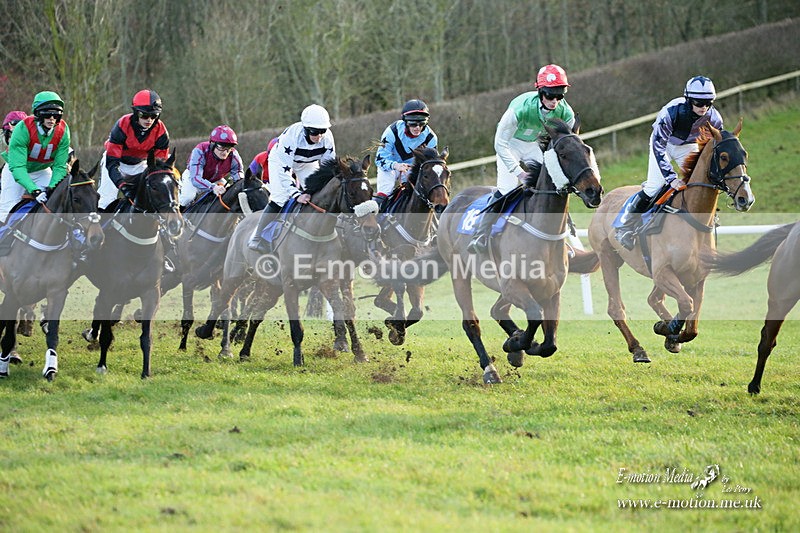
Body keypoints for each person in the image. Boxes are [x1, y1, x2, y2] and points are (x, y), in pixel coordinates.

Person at [468, 64, 575, 253]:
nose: (555, 101)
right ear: (540, 91)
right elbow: (499, 143)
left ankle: (564, 232)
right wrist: (519, 172)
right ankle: (481, 234)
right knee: (508, 188)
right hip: (508, 145)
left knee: (557, 183)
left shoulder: (566, 113)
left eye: (560, 95)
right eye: (550, 95)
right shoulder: (520, 108)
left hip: (531, 145)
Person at [615, 76, 723, 249]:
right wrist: (671, 177)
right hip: (663, 145)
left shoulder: (715, 119)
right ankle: (624, 225)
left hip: (687, 146)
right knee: (654, 186)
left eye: (708, 103)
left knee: (699, 181)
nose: (703, 108)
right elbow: (658, 146)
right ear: (688, 100)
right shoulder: (671, 111)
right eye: (698, 102)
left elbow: (714, 149)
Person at [248, 104, 336, 253]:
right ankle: (256, 238)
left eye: (323, 131)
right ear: (306, 129)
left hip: (307, 163)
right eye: (315, 132)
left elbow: (328, 167)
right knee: (281, 197)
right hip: (281, 162)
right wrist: (296, 194)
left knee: (319, 193)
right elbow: (284, 171)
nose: (319, 136)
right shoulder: (292, 137)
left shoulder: (327, 138)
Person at [0, 92, 71, 223]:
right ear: (38, 114)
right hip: (16, 171)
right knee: (6, 211)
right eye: (47, 114)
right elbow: (18, 167)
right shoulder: (23, 129)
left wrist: (52, 187)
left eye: (56, 115)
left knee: (58, 202)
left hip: (42, 170)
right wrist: (35, 191)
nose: (52, 119)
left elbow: (59, 166)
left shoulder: (63, 131)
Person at [98, 89, 170, 209]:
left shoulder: (161, 132)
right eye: (144, 115)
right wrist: (122, 184)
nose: (149, 120)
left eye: (154, 116)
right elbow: (112, 164)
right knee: (106, 200)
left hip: (140, 165)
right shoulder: (122, 125)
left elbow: (160, 166)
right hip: (117, 164)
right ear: (136, 113)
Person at [373, 99, 438, 209]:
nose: (417, 127)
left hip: (411, 169)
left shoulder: (431, 138)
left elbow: (432, 165)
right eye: (413, 123)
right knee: (385, 190)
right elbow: (379, 159)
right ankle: (374, 219)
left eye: (422, 123)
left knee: (422, 194)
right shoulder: (391, 132)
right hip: (390, 166)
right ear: (405, 122)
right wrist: (396, 165)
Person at [178, 125, 244, 208]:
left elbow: (239, 177)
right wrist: (213, 187)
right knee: (187, 198)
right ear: (213, 144)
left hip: (216, 180)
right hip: (193, 177)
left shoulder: (234, 155)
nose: (225, 152)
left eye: (229, 148)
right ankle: (176, 217)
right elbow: (196, 178)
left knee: (231, 196)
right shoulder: (200, 150)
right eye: (222, 147)